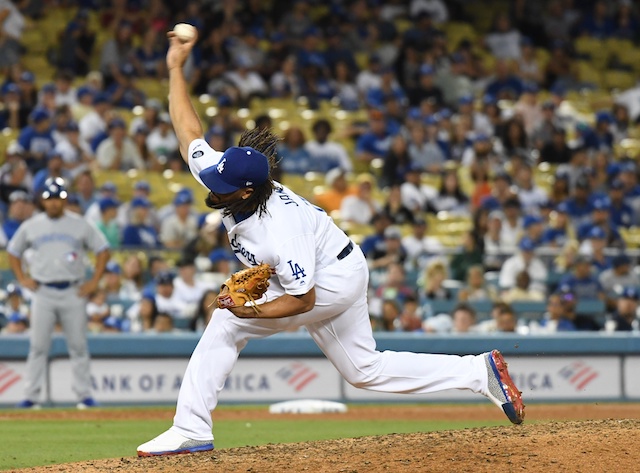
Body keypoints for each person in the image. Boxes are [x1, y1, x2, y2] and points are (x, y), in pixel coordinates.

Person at [136, 30, 525, 457]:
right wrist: (175, 67)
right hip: (337, 261)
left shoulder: (280, 228)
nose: (212, 186)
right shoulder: (230, 177)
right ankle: (478, 372)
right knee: (364, 369)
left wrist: (249, 310)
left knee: (227, 324)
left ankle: (191, 428)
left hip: (331, 278)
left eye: (223, 185)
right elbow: (187, 130)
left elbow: (303, 300)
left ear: (246, 192)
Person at [7, 177, 110, 409]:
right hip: (43, 291)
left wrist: (94, 281)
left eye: (58, 198)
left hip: (73, 290)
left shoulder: (80, 223)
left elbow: (103, 250)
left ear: (65, 200)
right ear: (42, 201)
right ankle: (31, 396)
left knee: (78, 345)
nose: (54, 203)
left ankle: (84, 395)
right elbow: (13, 251)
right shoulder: (32, 225)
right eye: (49, 198)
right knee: (38, 346)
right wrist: (22, 278)